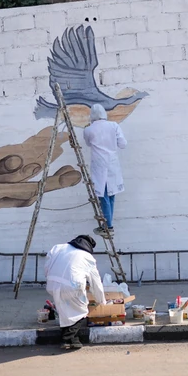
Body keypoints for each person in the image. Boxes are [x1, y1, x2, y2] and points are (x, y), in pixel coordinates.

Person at [45, 235, 107, 350]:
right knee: (82, 311)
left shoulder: (58, 247)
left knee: (64, 311)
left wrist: (51, 278)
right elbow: (96, 282)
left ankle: (72, 340)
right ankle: (66, 338)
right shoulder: (87, 257)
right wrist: (102, 301)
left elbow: (47, 265)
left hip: (52, 284)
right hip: (72, 287)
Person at [83, 104, 127, 238]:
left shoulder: (88, 130)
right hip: (112, 163)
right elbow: (123, 144)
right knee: (111, 194)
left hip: (99, 163)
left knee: (103, 196)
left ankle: (108, 226)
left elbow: (88, 144)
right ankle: (108, 225)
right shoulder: (114, 126)